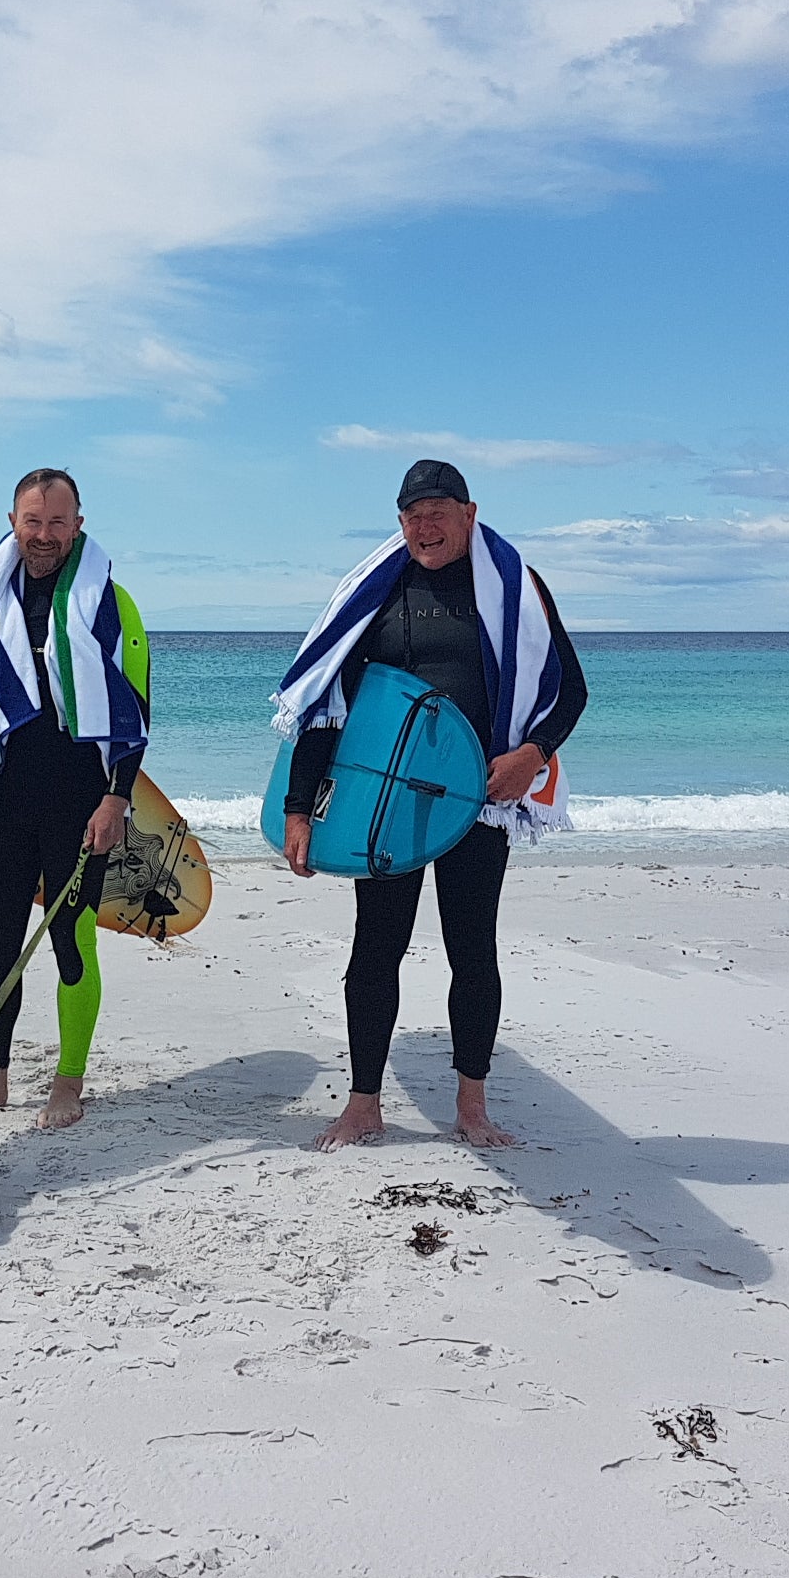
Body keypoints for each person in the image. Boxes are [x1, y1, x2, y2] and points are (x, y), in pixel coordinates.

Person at [274, 458, 586, 1150]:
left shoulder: (516, 590)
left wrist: (531, 757)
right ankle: (363, 1104)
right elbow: (329, 706)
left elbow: (571, 691)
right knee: (375, 948)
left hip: (478, 802)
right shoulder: (377, 593)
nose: (425, 526)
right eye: (412, 515)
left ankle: (472, 1107)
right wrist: (300, 806)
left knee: (471, 951)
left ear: (470, 514)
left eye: (439, 511)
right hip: (388, 802)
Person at [0, 468, 150, 1131]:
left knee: (70, 940)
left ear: (78, 525)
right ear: (13, 523)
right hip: (4, 797)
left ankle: (69, 1080)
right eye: (34, 521)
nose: (45, 535)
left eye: (59, 522)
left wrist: (115, 801)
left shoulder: (111, 603)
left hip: (78, 799)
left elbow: (136, 712)